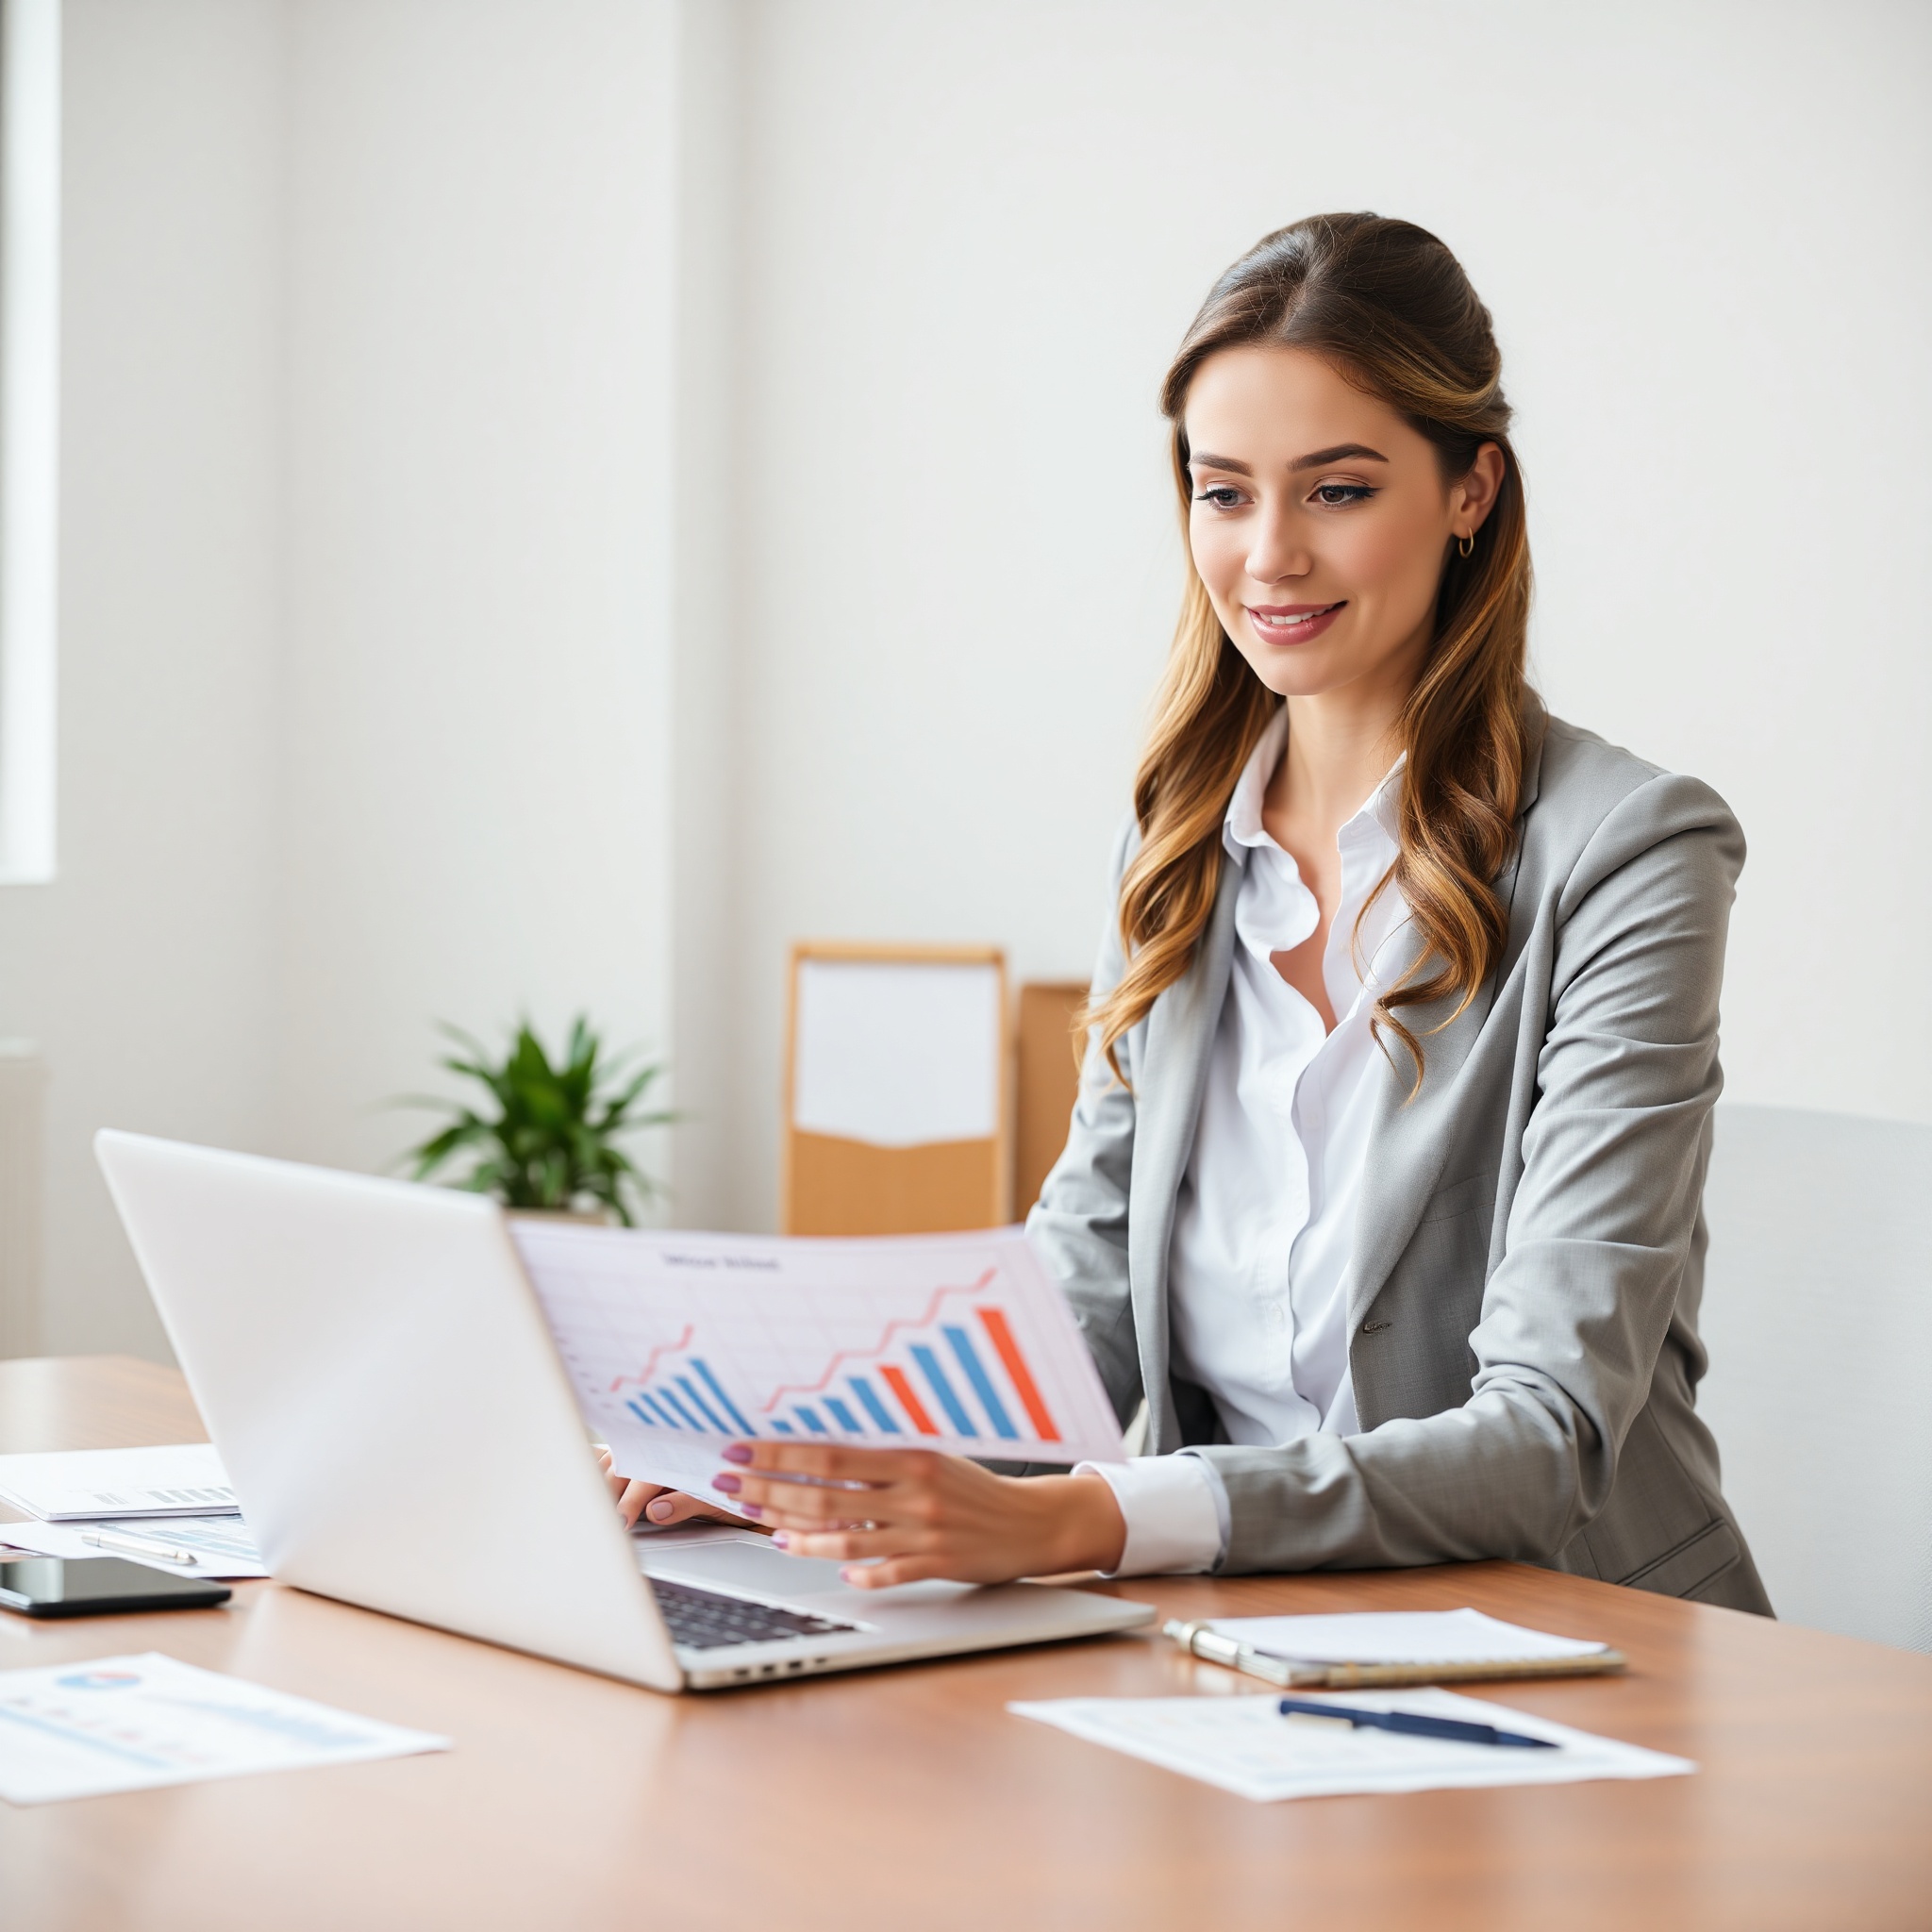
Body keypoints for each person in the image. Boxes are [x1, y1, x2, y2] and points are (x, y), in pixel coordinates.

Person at [608, 212, 1771, 1614]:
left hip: (1572, 1638)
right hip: (1248, 1629)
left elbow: (1545, 1436)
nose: (1269, 555)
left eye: (1336, 489)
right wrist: (804, 1462)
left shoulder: (1629, 852)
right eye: (1224, 493)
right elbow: (1085, 1283)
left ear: (1471, 489)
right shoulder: (1180, 840)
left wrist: (1089, 1517)